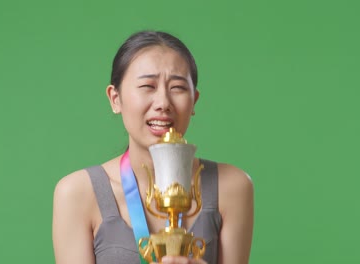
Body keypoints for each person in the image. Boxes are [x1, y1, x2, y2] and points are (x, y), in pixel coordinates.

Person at [52, 31, 254, 264]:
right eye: (148, 85)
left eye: (177, 87)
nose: (163, 103)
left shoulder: (231, 187)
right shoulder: (77, 192)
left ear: (194, 101)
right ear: (115, 98)